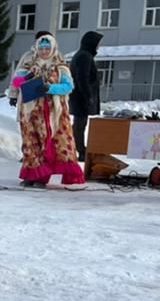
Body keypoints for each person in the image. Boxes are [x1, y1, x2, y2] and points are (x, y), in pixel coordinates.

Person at [12, 33, 86, 189]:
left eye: (47, 48)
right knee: (32, 143)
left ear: (53, 48)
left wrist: (51, 88)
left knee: (55, 143)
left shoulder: (60, 66)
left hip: (54, 112)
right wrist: (27, 78)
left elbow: (68, 86)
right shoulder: (29, 63)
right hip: (31, 111)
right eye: (41, 48)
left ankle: (43, 177)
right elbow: (16, 82)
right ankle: (32, 174)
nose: (44, 51)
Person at [68, 30, 103, 162]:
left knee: (79, 124)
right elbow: (82, 78)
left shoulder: (84, 55)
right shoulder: (85, 56)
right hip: (81, 97)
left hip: (79, 97)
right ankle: (80, 150)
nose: (99, 46)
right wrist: (88, 96)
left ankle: (77, 148)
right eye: (98, 43)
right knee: (79, 125)